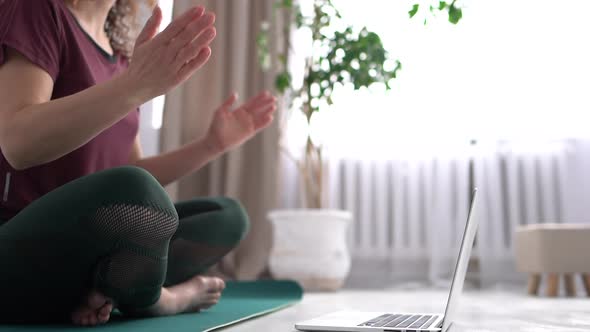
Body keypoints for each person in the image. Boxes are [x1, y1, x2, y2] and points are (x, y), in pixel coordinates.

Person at [0, 0, 277, 326]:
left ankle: (100, 290)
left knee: (226, 217)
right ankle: (156, 298)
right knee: (139, 192)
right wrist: (133, 86)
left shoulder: (120, 57)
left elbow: (134, 168)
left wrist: (211, 145)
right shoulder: (36, 10)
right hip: (19, 254)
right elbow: (16, 142)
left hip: (86, 253)